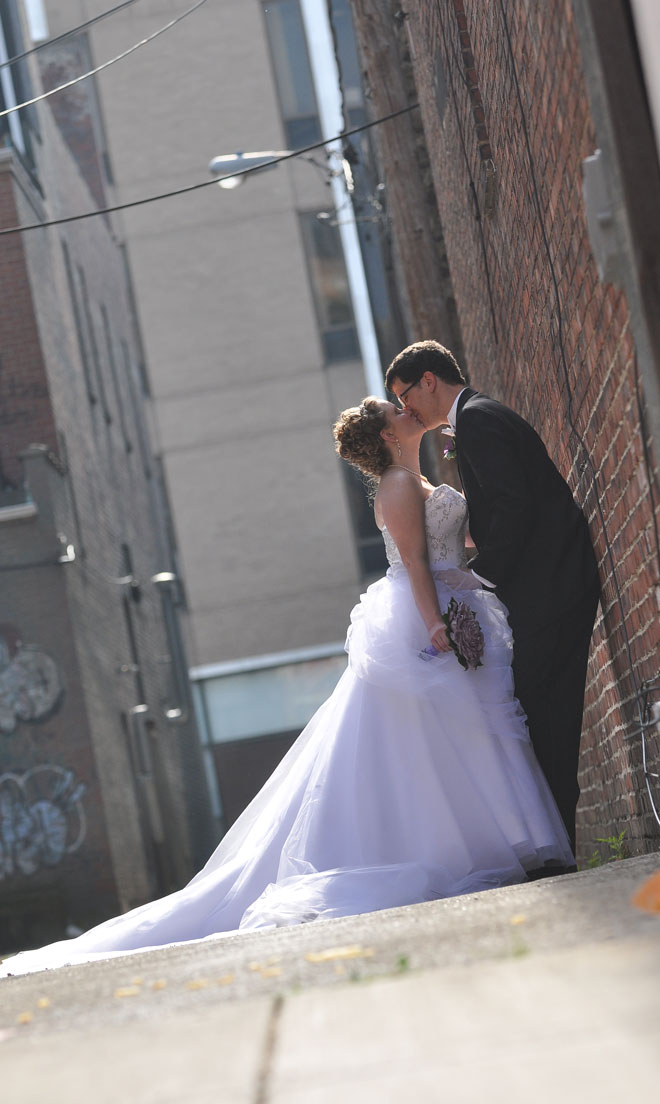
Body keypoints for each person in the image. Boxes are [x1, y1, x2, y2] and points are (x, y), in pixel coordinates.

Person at [0, 397, 573, 977]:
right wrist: (435, 623)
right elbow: (415, 564)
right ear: (384, 433)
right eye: (393, 409)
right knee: (430, 734)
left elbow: (461, 544)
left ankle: (496, 842)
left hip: (459, 604)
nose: (405, 410)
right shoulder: (398, 485)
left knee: (472, 728)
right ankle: (462, 847)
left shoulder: (422, 476)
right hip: (424, 617)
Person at [385, 340, 601, 859]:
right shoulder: (475, 420)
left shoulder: (478, 420)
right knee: (539, 710)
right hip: (546, 584)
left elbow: (514, 506)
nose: (408, 407)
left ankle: (557, 847)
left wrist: (479, 577)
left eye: (406, 395)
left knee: (544, 711)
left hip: (551, 585)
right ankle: (555, 842)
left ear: (430, 380)